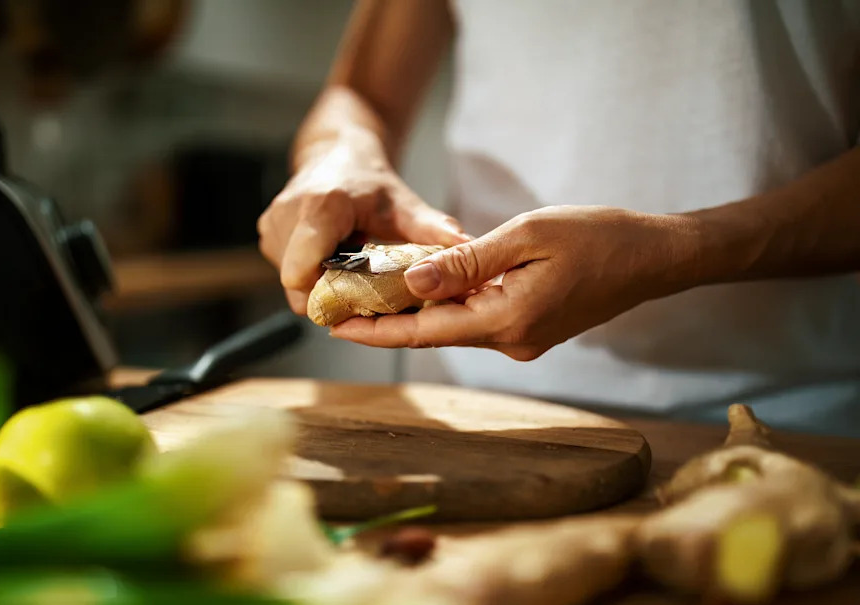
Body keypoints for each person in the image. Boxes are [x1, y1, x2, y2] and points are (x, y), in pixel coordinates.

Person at [257, 0, 860, 433]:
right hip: (466, 408)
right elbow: (363, 94)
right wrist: (333, 154)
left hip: (785, 419)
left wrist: (682, 250)